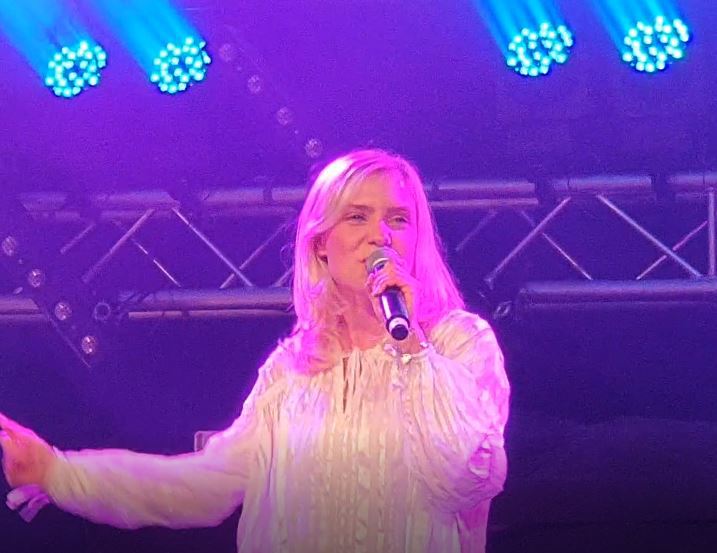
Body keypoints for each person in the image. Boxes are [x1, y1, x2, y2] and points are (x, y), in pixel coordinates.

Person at [0, 149, 510, 553]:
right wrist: (60, 474)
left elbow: (462, 479)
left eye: (398, 219)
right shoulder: (293, 369)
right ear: (321, 243)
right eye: (357, 216)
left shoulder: (459, 343)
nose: (380, 235)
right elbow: (203, 486)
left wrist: (409, 345)